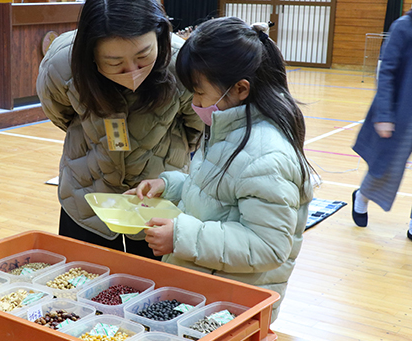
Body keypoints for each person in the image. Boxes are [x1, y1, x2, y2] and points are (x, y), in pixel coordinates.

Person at [128, 17, 314, 321]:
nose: (195, 102)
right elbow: (219, 192)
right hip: (205, 293)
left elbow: (268, 246)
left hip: (232, 309)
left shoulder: (266, 155)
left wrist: (181, 236)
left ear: (240, 89)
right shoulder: (228, 124)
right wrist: (172, 186)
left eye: (199, 93)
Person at [36, 0, 203, 260]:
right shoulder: (62, 64)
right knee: (84, 286)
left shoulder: (180, 63)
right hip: (86, 195)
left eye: (143, 56)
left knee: (156, 291)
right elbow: (61, 114)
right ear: (91, 55)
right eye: (115, 63)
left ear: (160, 36)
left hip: (157, 202)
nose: (133, 72)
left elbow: (195, 128)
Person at [351, 10, 412, 241]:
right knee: (385, 167)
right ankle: (362, 197)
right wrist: (384, 114)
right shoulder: (403, 27)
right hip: (401, 113)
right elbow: (386, 72)